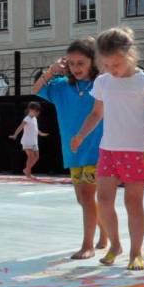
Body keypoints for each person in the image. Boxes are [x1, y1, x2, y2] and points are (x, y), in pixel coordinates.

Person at [71, 27, 144, 271]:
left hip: (137, 151)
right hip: (109, 150)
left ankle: (136, 252)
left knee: (133, 202)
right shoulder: (103, 82)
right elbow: (96, 113)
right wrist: (81, 134)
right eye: (107, 65)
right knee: (103, 200)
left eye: (117, 64)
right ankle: (115, 245)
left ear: (130, 55)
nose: (113, 69)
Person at [34, 37, 109, 260]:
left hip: (97, 148)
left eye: (81, 63)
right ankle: (104, 233)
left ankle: (88, 245)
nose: (76, 68)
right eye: (72, 63)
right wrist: (50, 71)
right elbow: (36, 89)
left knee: (87, 197)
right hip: (74, 150)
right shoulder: (60, 87)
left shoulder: (101, 84)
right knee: (83, 199)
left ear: (92, 63)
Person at [9, 102, 48, 179]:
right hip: (27, 141)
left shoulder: (35, 119)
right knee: (30, 157)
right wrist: (15, 134)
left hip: (34, 142)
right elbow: (20, 127)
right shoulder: (27, 118)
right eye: (36, 111)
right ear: (31, 110)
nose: (38, 113)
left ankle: (27, 169)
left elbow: (36, 129)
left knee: (36, 157)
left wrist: (41, 133)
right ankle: (28, 174)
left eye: (38, 111)